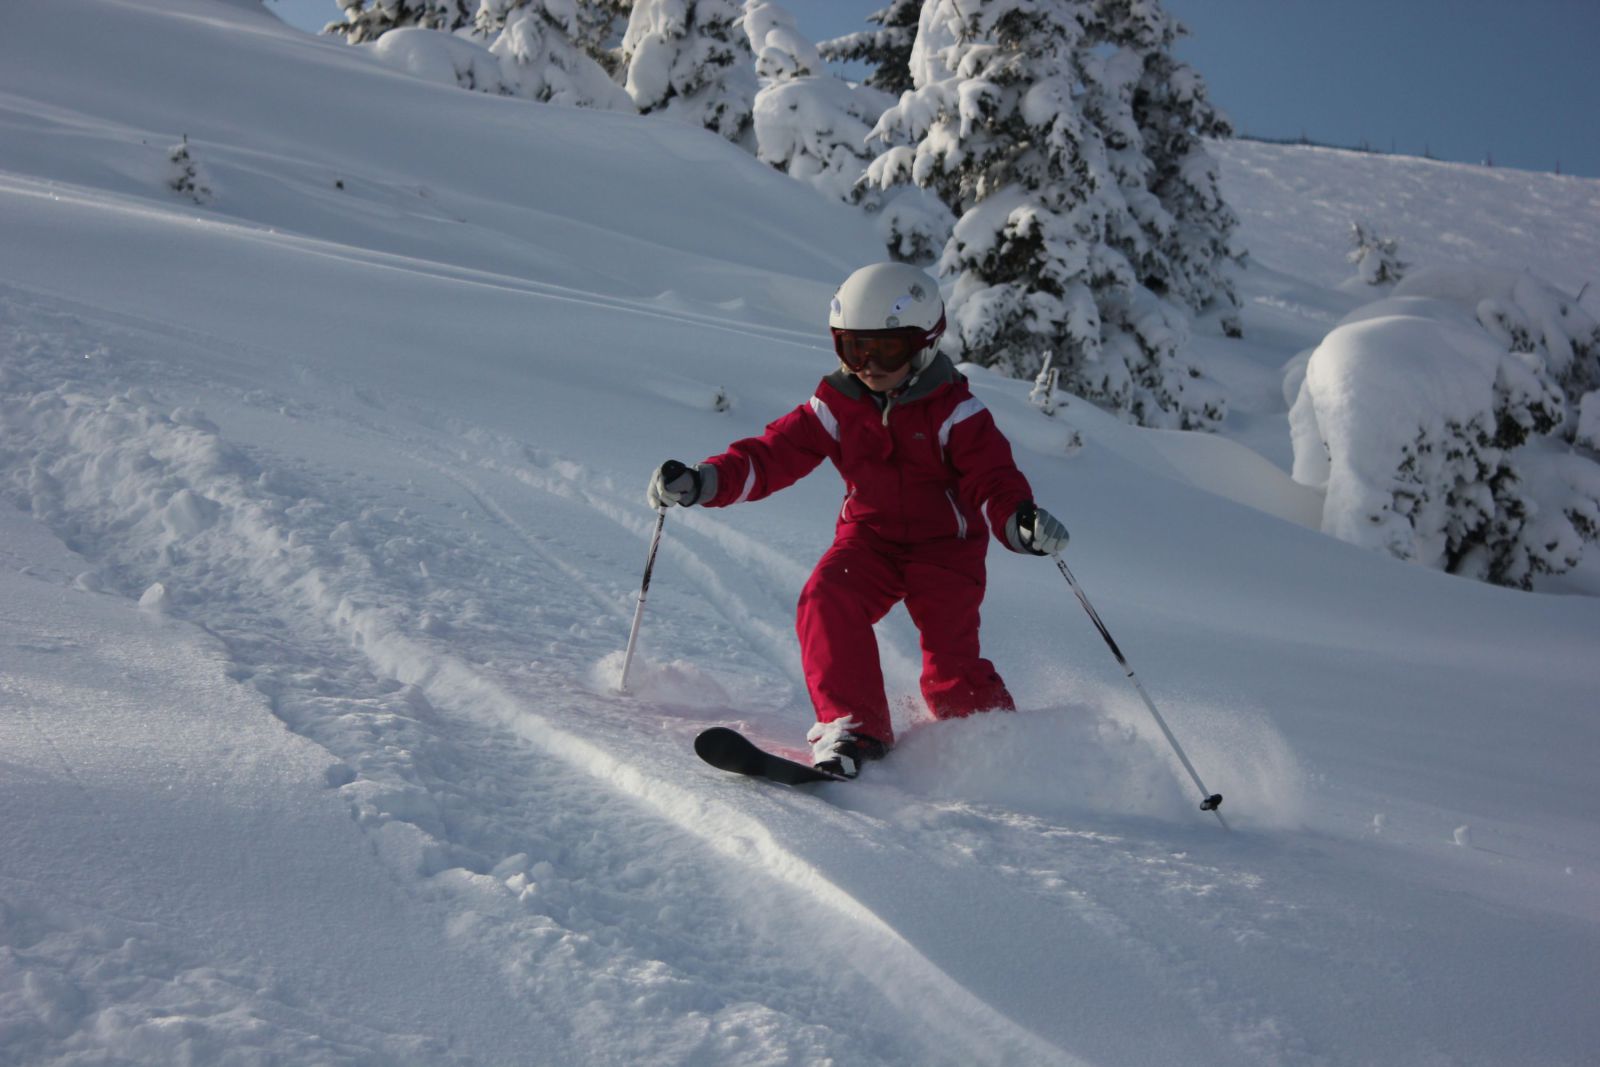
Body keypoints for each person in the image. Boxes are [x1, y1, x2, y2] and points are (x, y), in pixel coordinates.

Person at [648, 263, 1069, 778]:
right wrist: (705, 480)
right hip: (870, 539)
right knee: (827, 600)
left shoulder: (957, 414)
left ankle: (998, 745)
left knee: (950, 669)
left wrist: (1018, 521)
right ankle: (857, 733)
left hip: (946, 552)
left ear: (924, 343)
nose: (867, 364)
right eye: (852, 348)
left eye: (884, 350)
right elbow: (772, 454)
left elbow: (993, 483)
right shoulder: (837, 404)